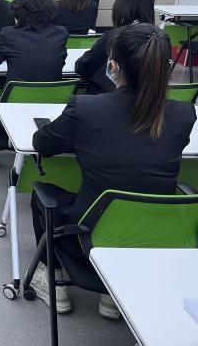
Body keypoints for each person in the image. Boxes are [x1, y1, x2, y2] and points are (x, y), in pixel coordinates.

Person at [29, 23, 195, 319]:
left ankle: (53, 281)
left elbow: (42, 143)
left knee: (41, 197)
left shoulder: (86, 109)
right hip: (160, 241)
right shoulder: (184, 114)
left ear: (113, 66)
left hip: (90, 239)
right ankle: (110, 298)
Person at [0, 0, 68, 169]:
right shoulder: (61, 33)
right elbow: (59, 62)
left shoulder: (9, 34)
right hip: (52, 112)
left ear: (18, 12)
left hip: (13, 111)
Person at [76, 0, 155, 94]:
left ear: (122, 6)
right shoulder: (158, 39)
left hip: (107, 97)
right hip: (146, 99)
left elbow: (83, 66)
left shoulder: (114, 36)